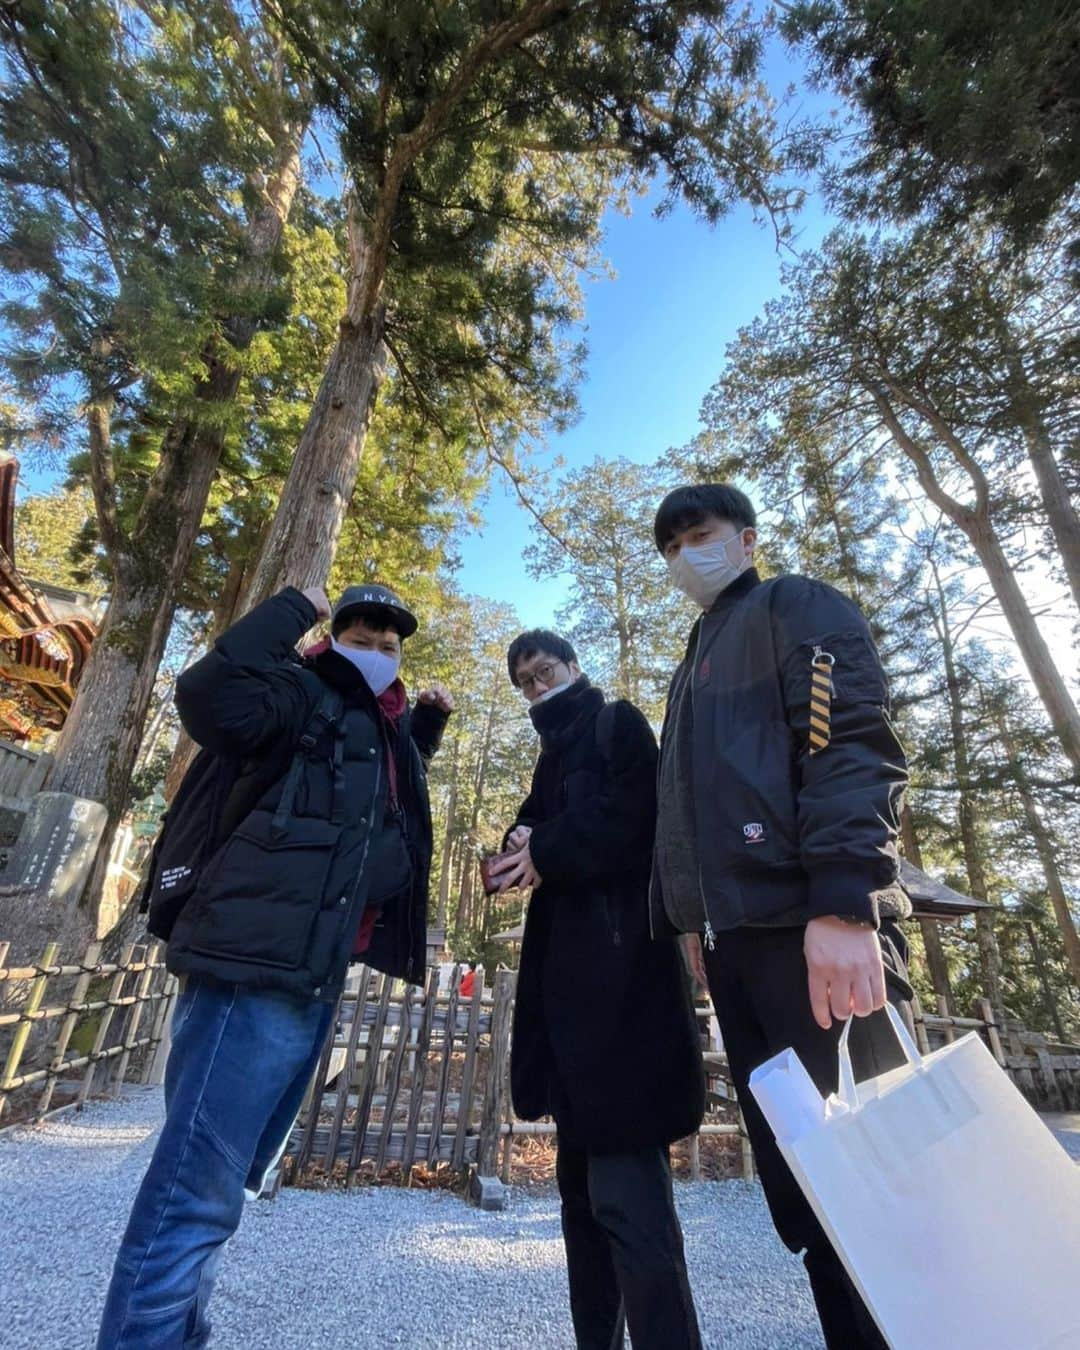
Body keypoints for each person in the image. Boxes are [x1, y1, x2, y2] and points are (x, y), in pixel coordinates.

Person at [97, 582, 452, 1350]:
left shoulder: (376, 727)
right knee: (194, 1192)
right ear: (333, 639)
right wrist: (295, 606)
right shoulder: (293, 692)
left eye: (392, 646)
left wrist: (425, 728)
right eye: (363, 635)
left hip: (311, 972)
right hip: (248, 970)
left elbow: (365, 807)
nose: (379, 653)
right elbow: (208, 694)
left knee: (219, 1191)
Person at [651, 483, 913, 1350]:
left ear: (747, 537)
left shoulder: (791, 605)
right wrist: (691, 921)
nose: (690, 553)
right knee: (809, 1200)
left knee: (881, 1187)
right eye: (673, 544)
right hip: (737, 951)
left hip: (816, 934)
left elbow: (848, 741)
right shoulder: (694, 657)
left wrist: (845, 902)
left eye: (703, 534)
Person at [490, 630, 704, 1350]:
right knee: (580, 1210)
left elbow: (636, 819)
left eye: (544, 671)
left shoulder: (619, 724)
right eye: (524, 682)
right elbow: (532, 827)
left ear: (574, 667)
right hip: (569, 1020)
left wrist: (543, 849)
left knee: (632, 1211)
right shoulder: (550, 760)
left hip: (625, 1011)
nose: (536, 688)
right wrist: (515, 850)